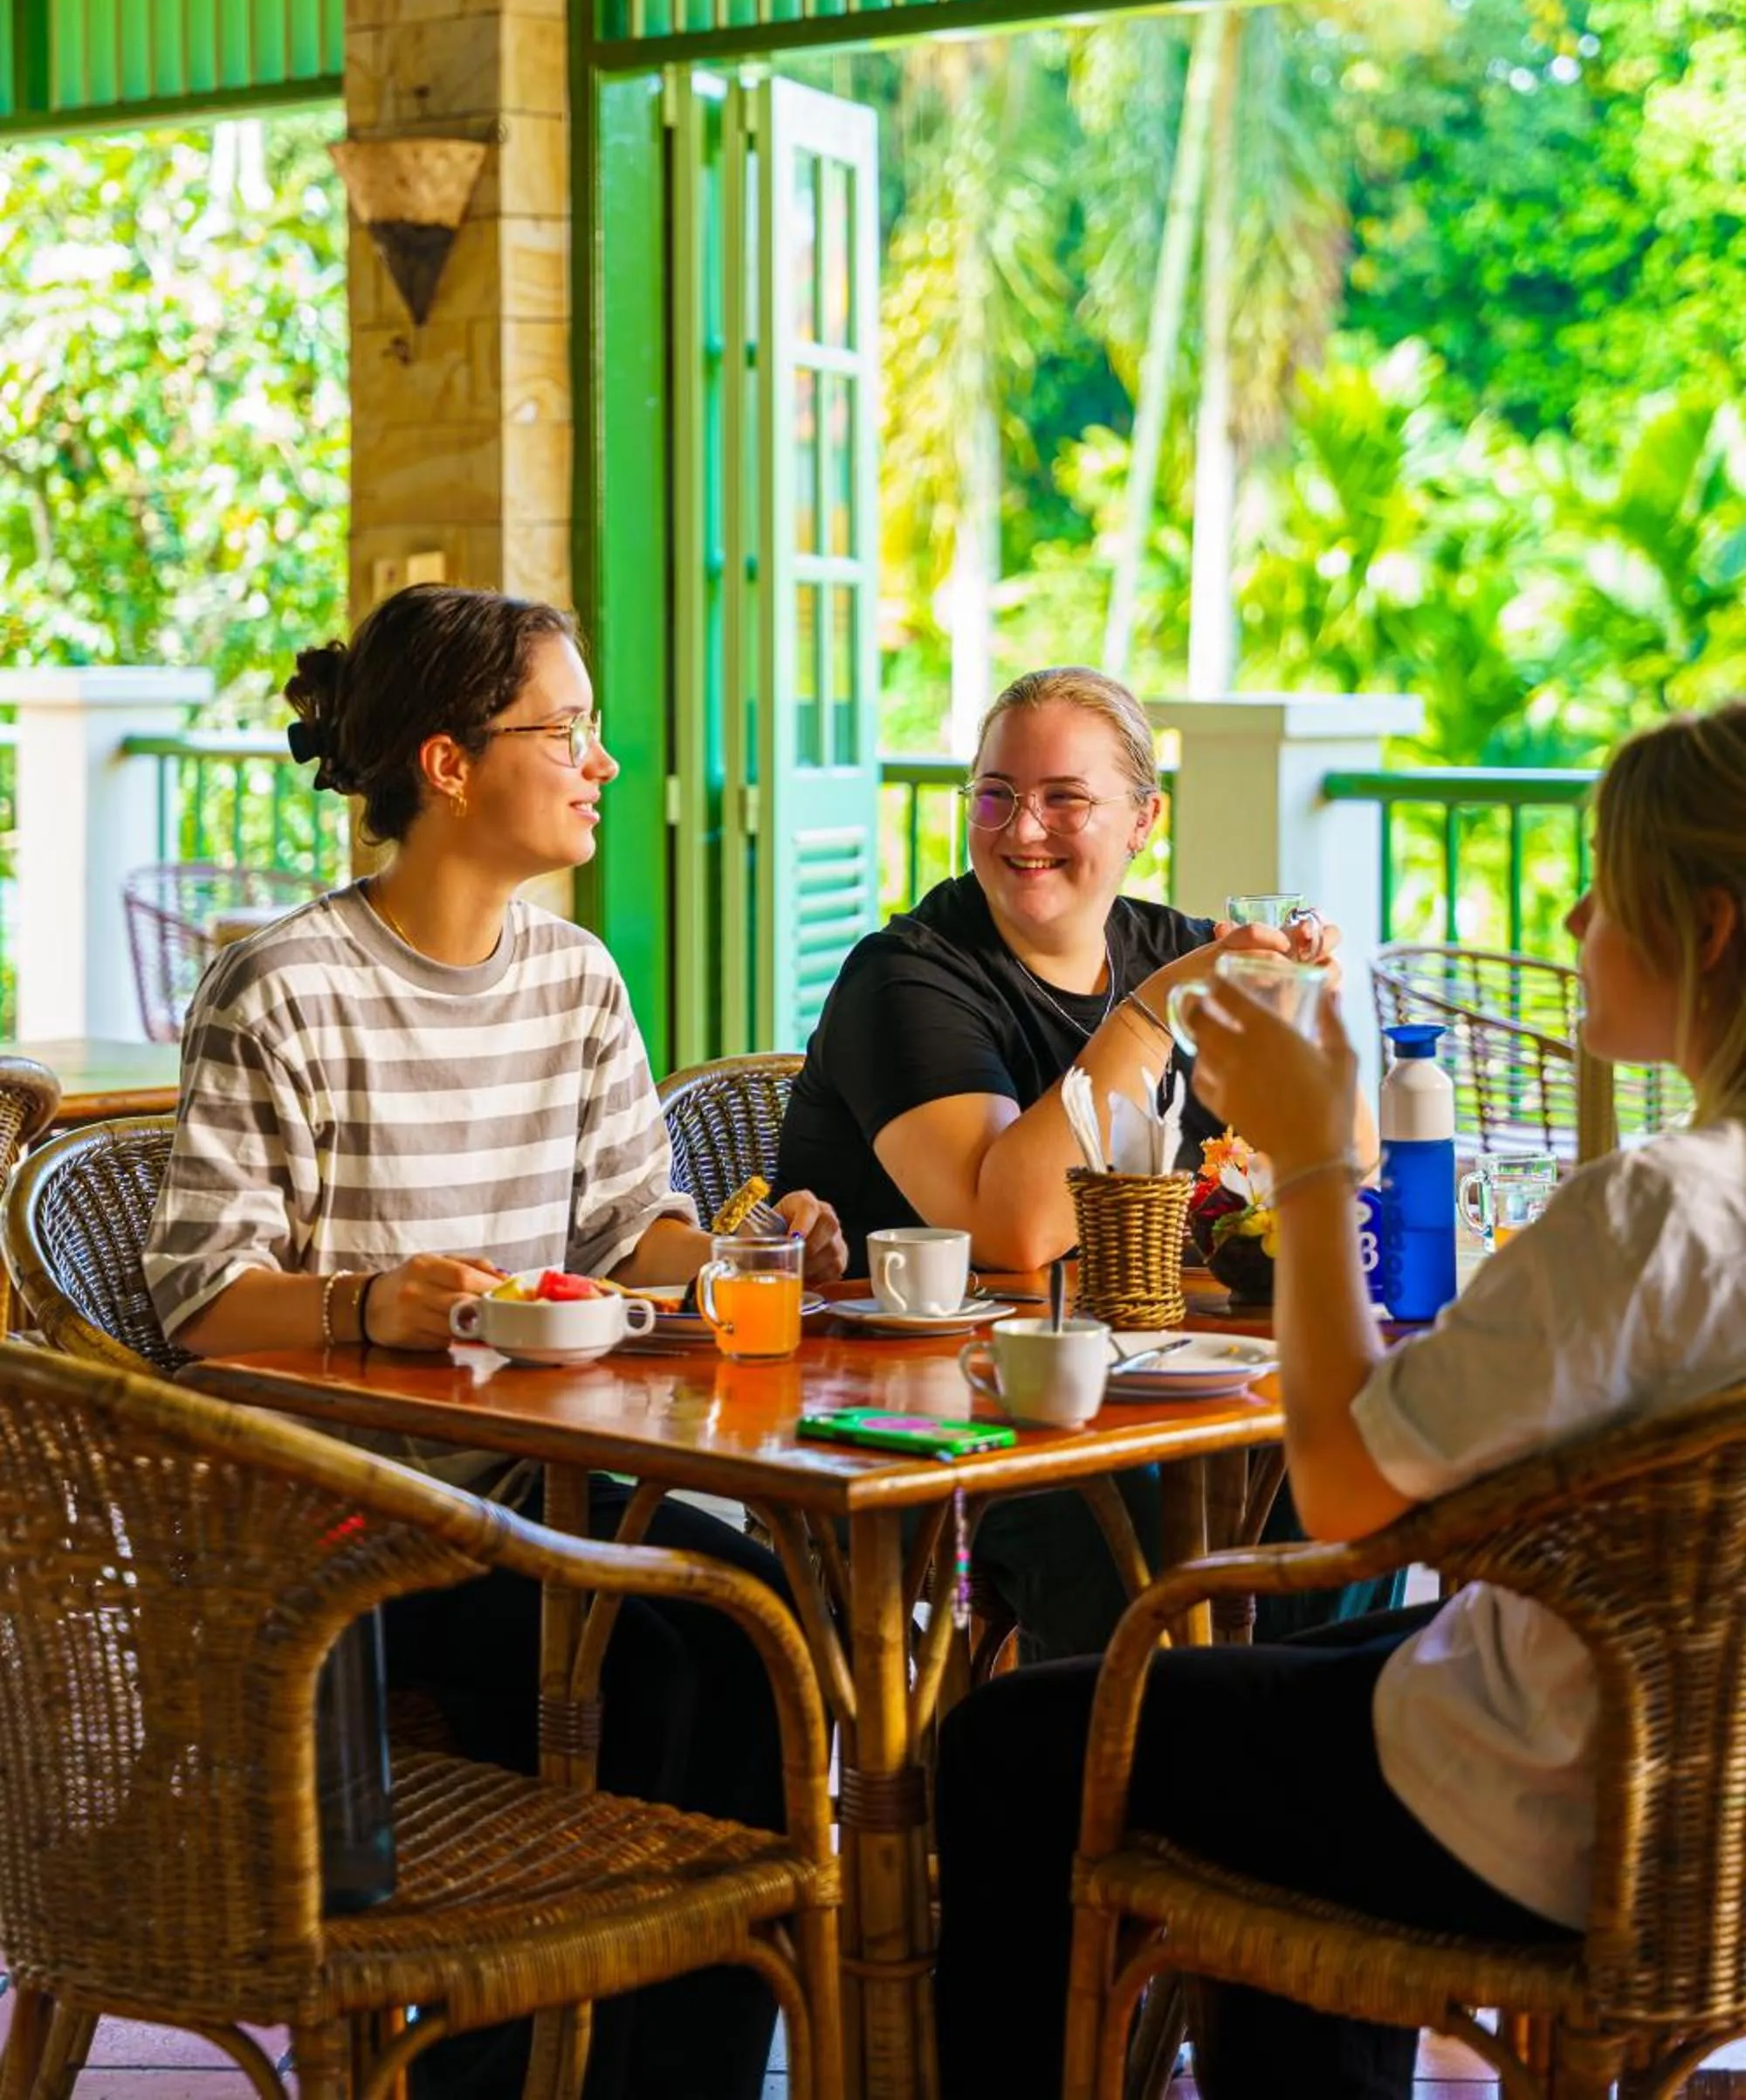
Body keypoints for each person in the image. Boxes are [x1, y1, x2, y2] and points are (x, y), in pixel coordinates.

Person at [933, 698, 1746, 2100]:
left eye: (1605, 888)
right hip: (1703, 1799)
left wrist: (1312, 1164)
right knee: (1271, 1678)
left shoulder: (1658, 1211)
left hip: (1547, 1803)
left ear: (1710, 928)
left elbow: (1349, 1487)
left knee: (1011, 1741)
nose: (1568, 918)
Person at [143, 582, 846, 2100]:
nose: (602, 762)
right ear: (450, 764)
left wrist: (741, 1253)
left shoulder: (575, 980)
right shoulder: (283, 989)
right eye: (570, 730)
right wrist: (366, 1302)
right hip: (342, 1528)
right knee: (651, 1673)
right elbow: (197, 1299)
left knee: (759, 1630)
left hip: (541, 1496)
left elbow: (626, 1233)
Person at [775, 662, 1372, 1659]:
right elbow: (1009, 1233)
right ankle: (1087, 1795)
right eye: (996, 796)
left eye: (1063, 800)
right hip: (930, 1421)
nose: (1020, 830)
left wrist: (1307, 1023)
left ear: (1143, 821)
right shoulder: (907, 977)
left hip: (1137, 1386)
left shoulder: (1172, 949)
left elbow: (1342, 1171)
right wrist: (1153, 1014)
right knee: (1126, 1520)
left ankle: (1273, 1769)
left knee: (1347, 1465)